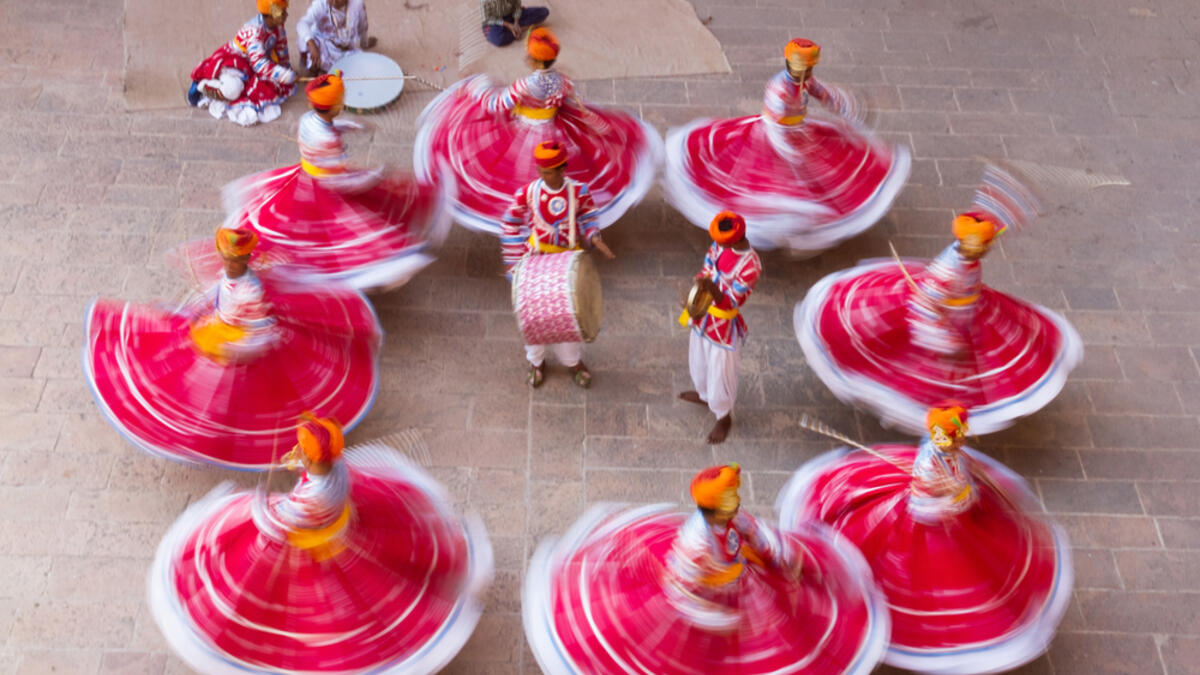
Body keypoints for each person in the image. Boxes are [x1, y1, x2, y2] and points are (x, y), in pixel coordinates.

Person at [148, 416, 493, 674]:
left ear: (315, 460)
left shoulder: (314, 494)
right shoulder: (336, 469)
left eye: (304, 453)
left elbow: (284, 521)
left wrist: (259, 506)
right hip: (339, 523)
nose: (299, 454)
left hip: (315, 543)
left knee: (296, 610)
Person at [778, 405, 1073, 674]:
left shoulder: (952, 455)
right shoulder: (928, 465)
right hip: (927, 526)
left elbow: (961, 477)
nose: (950, 442)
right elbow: (925, 501)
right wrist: (958, 497)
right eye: (945, 436)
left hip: (957, 520)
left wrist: (963, 492)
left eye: (953, 437)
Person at [794, 165, 1083, 434]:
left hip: (964, 312)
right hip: (943, 324)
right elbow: (924, 309)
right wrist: (944, 341)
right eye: (983, 245)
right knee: (917, 378)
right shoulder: (947, 272)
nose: (986, 250)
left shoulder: (965, 256)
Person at [522, 463, 889, 674]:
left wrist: (780, 556)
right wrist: (716, 616)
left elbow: (754, 531)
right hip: (704, 602)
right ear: (712, 510)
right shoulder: (695, 545)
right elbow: (682, 591)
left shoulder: (731, 516)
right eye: (729, 501)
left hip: (740, 584)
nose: (736, 505)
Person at [83, 228, 382, 469]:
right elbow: (222, 296)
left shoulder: (252, 291)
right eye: (225, 257)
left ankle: (214, 438)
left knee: (233, 399)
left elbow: (261, 332)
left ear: (245, 259)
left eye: (233, 259)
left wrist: (238, 348)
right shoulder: (230, 279)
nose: (227, 263)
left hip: (239, 343)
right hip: (219, 331)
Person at [662, 38, 909, 255]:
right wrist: (793, 154)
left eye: (807, 70)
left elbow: (823, 93)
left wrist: (845, 107)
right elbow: (776, 127)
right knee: (773, 188)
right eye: (801, 70)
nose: (804, 75)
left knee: (822, 175)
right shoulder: (779, 90)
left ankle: (799, 231)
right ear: (790, 66)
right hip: (775, 139)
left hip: (798, 134)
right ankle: (782, 233)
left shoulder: (804, 81)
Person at [414, 27, 661, 233]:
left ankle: (534, 227)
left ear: (533, 59)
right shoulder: (562, 81)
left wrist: (476, 87)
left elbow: (496, 104)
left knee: (517, 178)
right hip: (557, 130)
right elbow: (565, 99)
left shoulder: (526, 85)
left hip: (527, 131)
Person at [221, 72, 453, 291]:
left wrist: (351, 127)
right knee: (345, 232)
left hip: (305, 176)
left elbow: (325, 127)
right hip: (324, 187)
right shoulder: (327, 141)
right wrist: (373, 176)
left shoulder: (308, 120)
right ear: (335, 106)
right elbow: (338, 180)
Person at [502, 141, 614, 389]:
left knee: (569, 317)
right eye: (540, 171)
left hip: (567, 263)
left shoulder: (579, 191)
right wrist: (514, 262)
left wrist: (594, 235)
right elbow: (510, 221)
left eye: (549, 171)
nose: (543, 175)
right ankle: (536, 362)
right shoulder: (528, 192)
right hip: (536, 262)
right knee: (533, 318)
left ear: (562, 168)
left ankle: (572, 362)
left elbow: (588, 215)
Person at [678, 211, 762, 444]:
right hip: (702, 316)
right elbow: (705, 271)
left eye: (723, 242)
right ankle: (704, 395)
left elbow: (731, 301)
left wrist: (709, 287)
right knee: (698, 360)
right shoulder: (718, 245)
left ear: (736, 239)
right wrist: (692, 296)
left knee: (720, 373)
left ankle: (723, 416)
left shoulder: (751, 265)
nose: (718, 245)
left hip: (723, 327)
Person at [187, 0, 297, 126]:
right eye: (282, 13)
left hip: (251, 65)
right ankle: (203, 86)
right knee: (234, 90)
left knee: (275, 82)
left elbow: (281, 49)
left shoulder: (278, 26)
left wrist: (286, 69)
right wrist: (285, 76)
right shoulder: (254, 31)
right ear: (270, 16)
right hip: (234, 63)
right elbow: (259, 64)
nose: (286, 15)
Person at [296, 0, 376, 76]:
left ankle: (324, 69)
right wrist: (312, 44)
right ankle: (313, 67)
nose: (334, 1)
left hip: (344, 49)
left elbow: (362, 26)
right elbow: (302, 23)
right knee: (304, 40)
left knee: (363, 65)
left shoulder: (357, 4)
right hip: (323, 43)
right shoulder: (321, 3)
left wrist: (364, 43)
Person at [480, 0, 549, 47]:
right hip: (495, 21)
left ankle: (516, 29)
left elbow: (517, 7)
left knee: (544, 12)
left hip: (511, 16)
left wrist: (516, 22)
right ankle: (521, 29)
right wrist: (508, 25)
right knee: (498, 39)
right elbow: (487, 18)